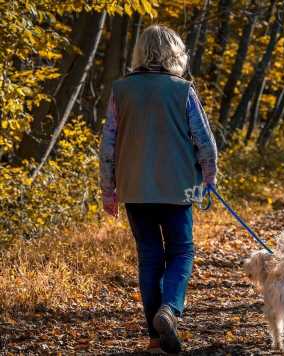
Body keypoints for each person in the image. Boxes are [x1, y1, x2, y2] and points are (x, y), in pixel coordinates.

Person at [99, 24, 218, 354]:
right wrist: (210, 178)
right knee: (182, 251)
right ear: (174, 53)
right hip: (180, 188)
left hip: (135, 189)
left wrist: (108, 190)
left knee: (149, 257)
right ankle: (170, 309)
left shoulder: (121, 90)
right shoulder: (183, 90)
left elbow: (108, 145)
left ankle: (155, 339)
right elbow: (204, 143)